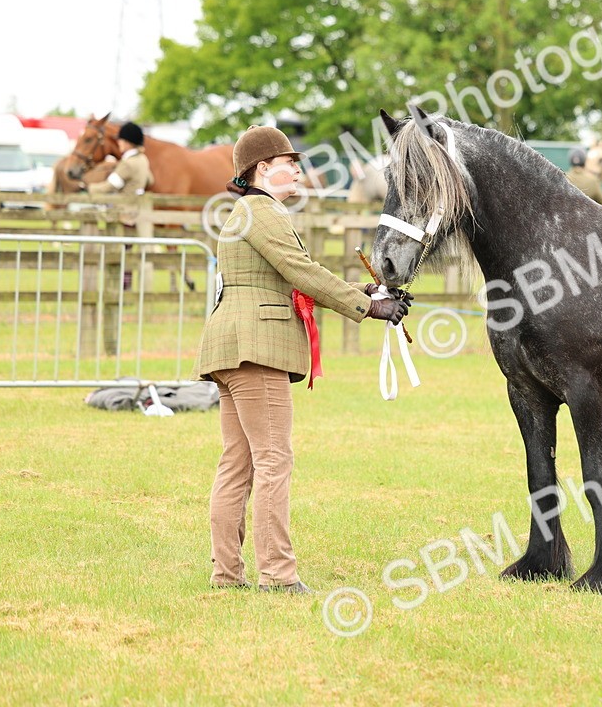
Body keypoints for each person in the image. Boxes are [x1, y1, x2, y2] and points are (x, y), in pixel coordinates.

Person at [192, 125, 411, 594]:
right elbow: (303, 272)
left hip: (231, 346)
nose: (298, 169)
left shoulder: (245, 212)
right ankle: (278, 575)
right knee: (273, 460)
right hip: (256, 348)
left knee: (238, 462)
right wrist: (368, 307)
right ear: (262, 169)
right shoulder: (263, 210)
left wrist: (362, 291)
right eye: (289, 162)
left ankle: (227, 573)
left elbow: (289, 277)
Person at [87, 121, 154, 195]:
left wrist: (88, 188)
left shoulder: (127, 163)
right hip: (140, 205)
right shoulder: (143, 159)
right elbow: (150, 180)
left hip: (125, 205)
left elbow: (110, 187)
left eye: (121, 140)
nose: (118, 142)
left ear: (128, 142)